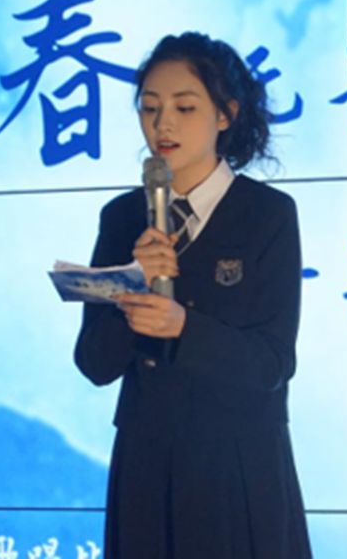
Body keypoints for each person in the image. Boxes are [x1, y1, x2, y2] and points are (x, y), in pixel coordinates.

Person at [74, 32, 312, 559]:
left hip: (238, 465)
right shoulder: (123, 217)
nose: (163, 125)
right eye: (150, 108)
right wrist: (133, 287)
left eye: (184, 107)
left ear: (226, 114)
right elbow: (93, 363)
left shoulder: (268, 214)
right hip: (147, 461)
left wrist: (183, 327)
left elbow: (272, 363)